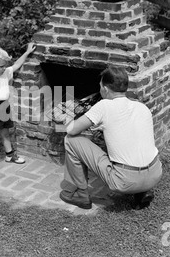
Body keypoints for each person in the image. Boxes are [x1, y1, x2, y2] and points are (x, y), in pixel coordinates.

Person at [60, 66, 163, 211]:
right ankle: (142, 192)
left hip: (125, 181)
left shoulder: (104, 105)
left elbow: (72, 130)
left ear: (106, 89)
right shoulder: (141, 107)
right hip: (154, 174)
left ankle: (80, 194)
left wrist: (66, 117)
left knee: (70, 140)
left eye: (100, 86)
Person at [0, 43, 36, 171]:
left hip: (4, 107)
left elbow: (16, 65)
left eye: (5, 66)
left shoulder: (6, 72)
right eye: (1, 66)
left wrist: (26, 52)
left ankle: (10, 155)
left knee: (6, 133)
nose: (4, 68)